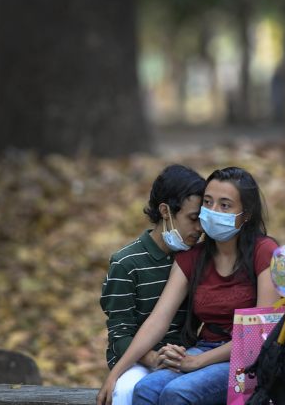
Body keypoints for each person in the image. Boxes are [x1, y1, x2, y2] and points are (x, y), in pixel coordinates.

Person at [97, 167, 280, 405]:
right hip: (204, 348)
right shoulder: (193, 255)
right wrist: (115, 373)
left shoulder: (265, 252)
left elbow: (260, 335)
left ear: (246, 213)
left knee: (178, 393)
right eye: (208, 202)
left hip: (249, 358)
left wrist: (197, 362)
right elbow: (158, 320)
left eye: (225, 205)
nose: (213, 212)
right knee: (145, 389)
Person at [100, 164, 206, 405]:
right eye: (192, 218)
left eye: (203, 220)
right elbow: (119, 337)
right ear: (165, 211)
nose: (200, 229)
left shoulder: (199, 258)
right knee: (126, 392)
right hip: (137, 362)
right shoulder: (126, 263)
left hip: (188, 358)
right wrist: (156, 357)